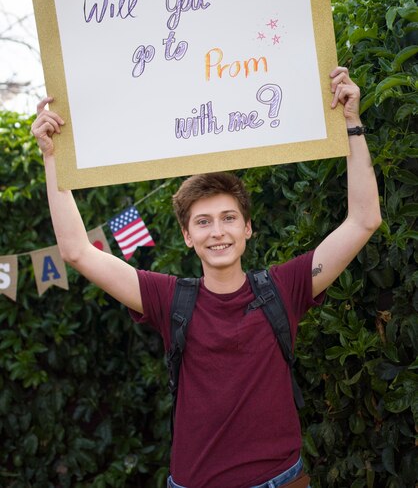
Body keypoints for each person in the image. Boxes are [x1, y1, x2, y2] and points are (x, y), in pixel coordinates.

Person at [31, 67, 381, 488]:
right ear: (187, 235)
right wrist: (53, 158)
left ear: (247, 228)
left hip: (283, 479)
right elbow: (76, 250)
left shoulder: (284, 287)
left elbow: (363, 220)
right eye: (203, 222)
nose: (217, 231)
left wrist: (352, 123)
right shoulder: (166, 297)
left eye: (228, 218)